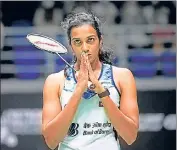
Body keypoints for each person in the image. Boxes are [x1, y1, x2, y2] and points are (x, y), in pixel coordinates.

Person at [42, 12, 139, 150]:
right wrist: (78, 91)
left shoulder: (122, 77)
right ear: (71, 46)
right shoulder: (55, 82)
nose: (85, 48)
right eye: (77, 42)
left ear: (100, 41)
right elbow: (51, 141)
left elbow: (130, 136)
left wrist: (102, 92)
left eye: (90, 40)